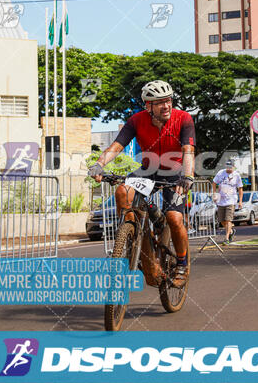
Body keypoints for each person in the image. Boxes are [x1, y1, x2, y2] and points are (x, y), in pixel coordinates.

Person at [88, 80, 195, 287]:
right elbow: (116, 146)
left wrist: (187, 176)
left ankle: (182, 264)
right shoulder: (137, 120)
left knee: (173, 218)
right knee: (122, 192)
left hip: (176, 173)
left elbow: (188, 151)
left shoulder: (184, 119)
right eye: (160, 102)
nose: (166, 106)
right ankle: (130, 237)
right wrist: (99, 164)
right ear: (148, 105)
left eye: (168, 100)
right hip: (148, 170)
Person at [212, 160, 243, 244]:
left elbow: (240, 189)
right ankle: (231, 232)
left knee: (228, 219)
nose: (228, 169)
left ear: (233, 167)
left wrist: (240, 201)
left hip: (231, 200)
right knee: (222, 220)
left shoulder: (237, 175)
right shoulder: (220, 173)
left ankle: (226, 238)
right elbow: (214, 183)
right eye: (227, 167)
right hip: (221, 201)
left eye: (230, 167)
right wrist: (214, 193)